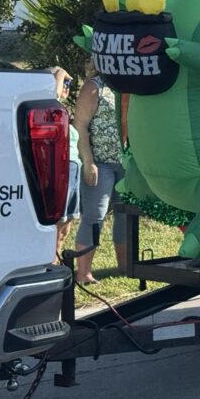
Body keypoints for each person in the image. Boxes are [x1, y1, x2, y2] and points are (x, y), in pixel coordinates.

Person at [73, 59, 126, 284]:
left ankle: (125, 267)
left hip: (126, 163)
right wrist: (88, 161)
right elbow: (81, 125)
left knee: (125, 216)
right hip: (100, 163)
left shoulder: (128, 85)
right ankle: (84, 272)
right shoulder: (94, 87)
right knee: (95, 216)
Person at [52, 67, 80, 263]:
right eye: (64, 85)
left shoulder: (65, 111)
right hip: (62, 167)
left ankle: (58, 257)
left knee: (69, 219)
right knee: (58, 219)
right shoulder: (50, 105)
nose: (66, 88)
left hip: (75, 167)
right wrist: (59, 74)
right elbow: (53, 94)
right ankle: (50, 260)